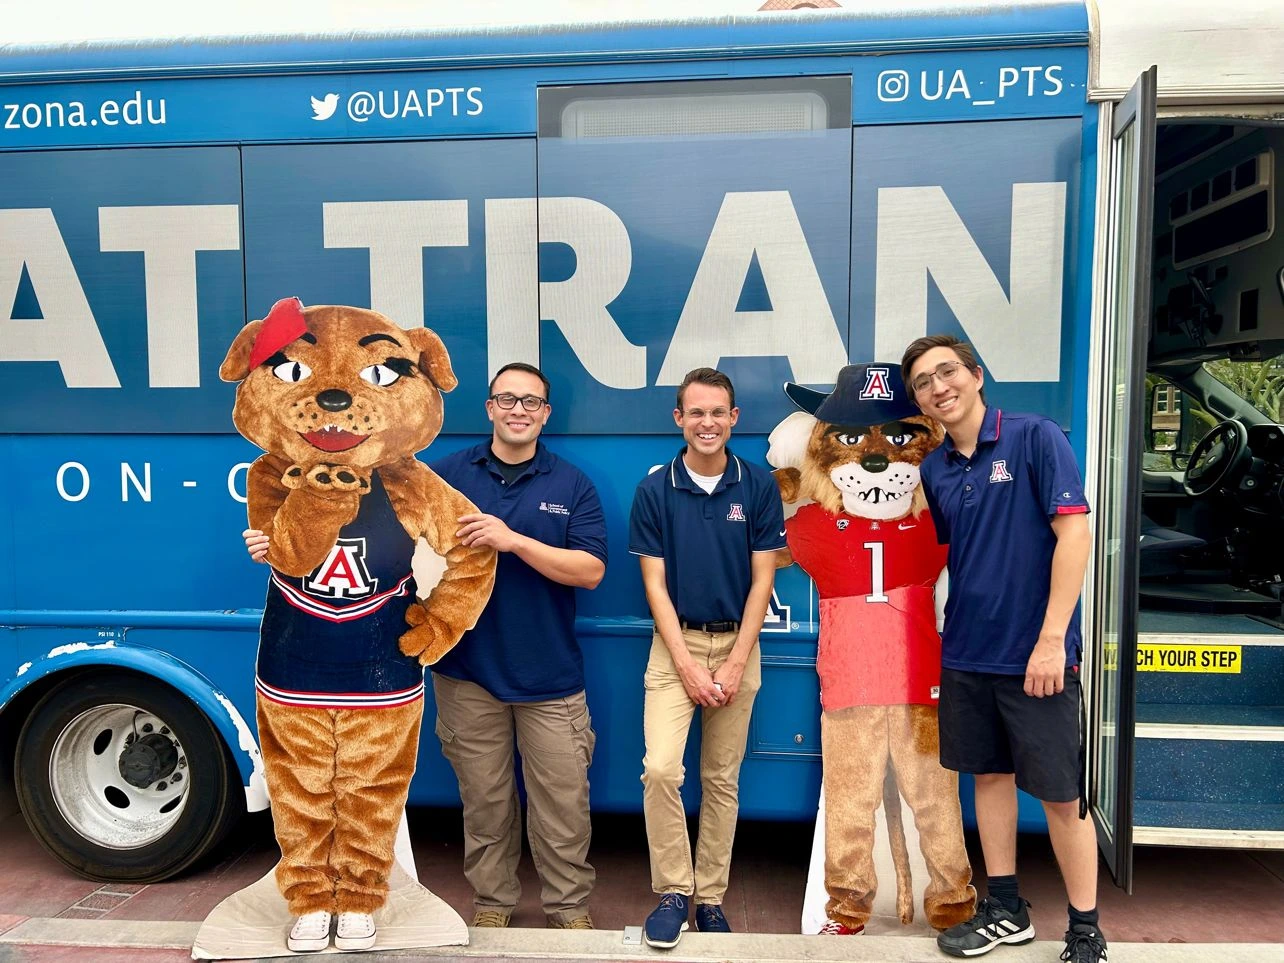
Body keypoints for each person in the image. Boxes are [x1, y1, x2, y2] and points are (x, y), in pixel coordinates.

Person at [247, 361, 607, 931]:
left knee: (563, 808)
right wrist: (275, 541)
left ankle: (569, 910)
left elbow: (590, 571)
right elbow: (358, 535)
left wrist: (511, 541)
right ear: (489, 407)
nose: (519, 410)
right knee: (485, 806)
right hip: (467, 674)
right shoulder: (436, 473)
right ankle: (492, 906)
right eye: (507, 399)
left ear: (546, 414)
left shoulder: (571, 484)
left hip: (549, 675)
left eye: (531, 402)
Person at [899, 336, 1105, 963]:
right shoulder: (933, 470)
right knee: (989, 778)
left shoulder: (1035, 437)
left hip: (1036, 656)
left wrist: (1050, 642)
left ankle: (1085, 927)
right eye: (924, 383)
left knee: (1062, 796)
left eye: (948, 371)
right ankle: (1007, 909)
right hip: (967, 652)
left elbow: (1075, 535)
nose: (939, 387)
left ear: (976, 375)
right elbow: (961, 558)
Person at [627, 367, 785, 949]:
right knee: (662, 769)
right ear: (679, 419)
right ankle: (672, 890)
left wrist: (737, 659)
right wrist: (689, 665)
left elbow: (763, 579)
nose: (707, 422)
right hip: (676, 647)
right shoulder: (654, 490)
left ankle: (710, 898)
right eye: (696, 412)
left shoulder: (758, 485)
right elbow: (654, 588)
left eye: (717, 412)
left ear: (734, 418)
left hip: (741, 644)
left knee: (722, 779)